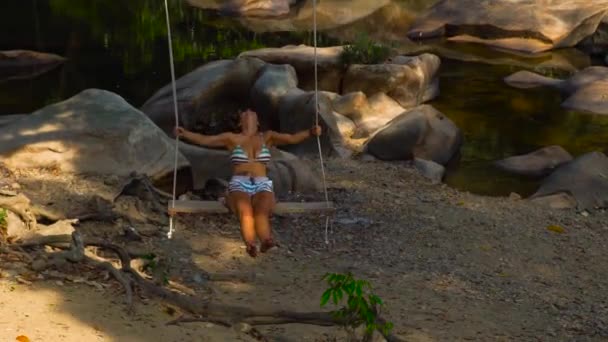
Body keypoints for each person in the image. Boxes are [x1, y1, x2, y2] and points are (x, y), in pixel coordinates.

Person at [174, 108, 322, 257]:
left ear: (257, 121)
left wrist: (310, 132)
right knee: (245, 212)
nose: (249, 112)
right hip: (240, 182)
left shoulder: (268, 137)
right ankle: (251, 244)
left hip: (262, 182)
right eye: (245, 113)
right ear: (240, 121)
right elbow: (205, 140)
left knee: (261, 212)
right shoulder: (231, 138)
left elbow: (291, 138)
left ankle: (266, 240)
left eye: (252, 112)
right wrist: (184, 133)